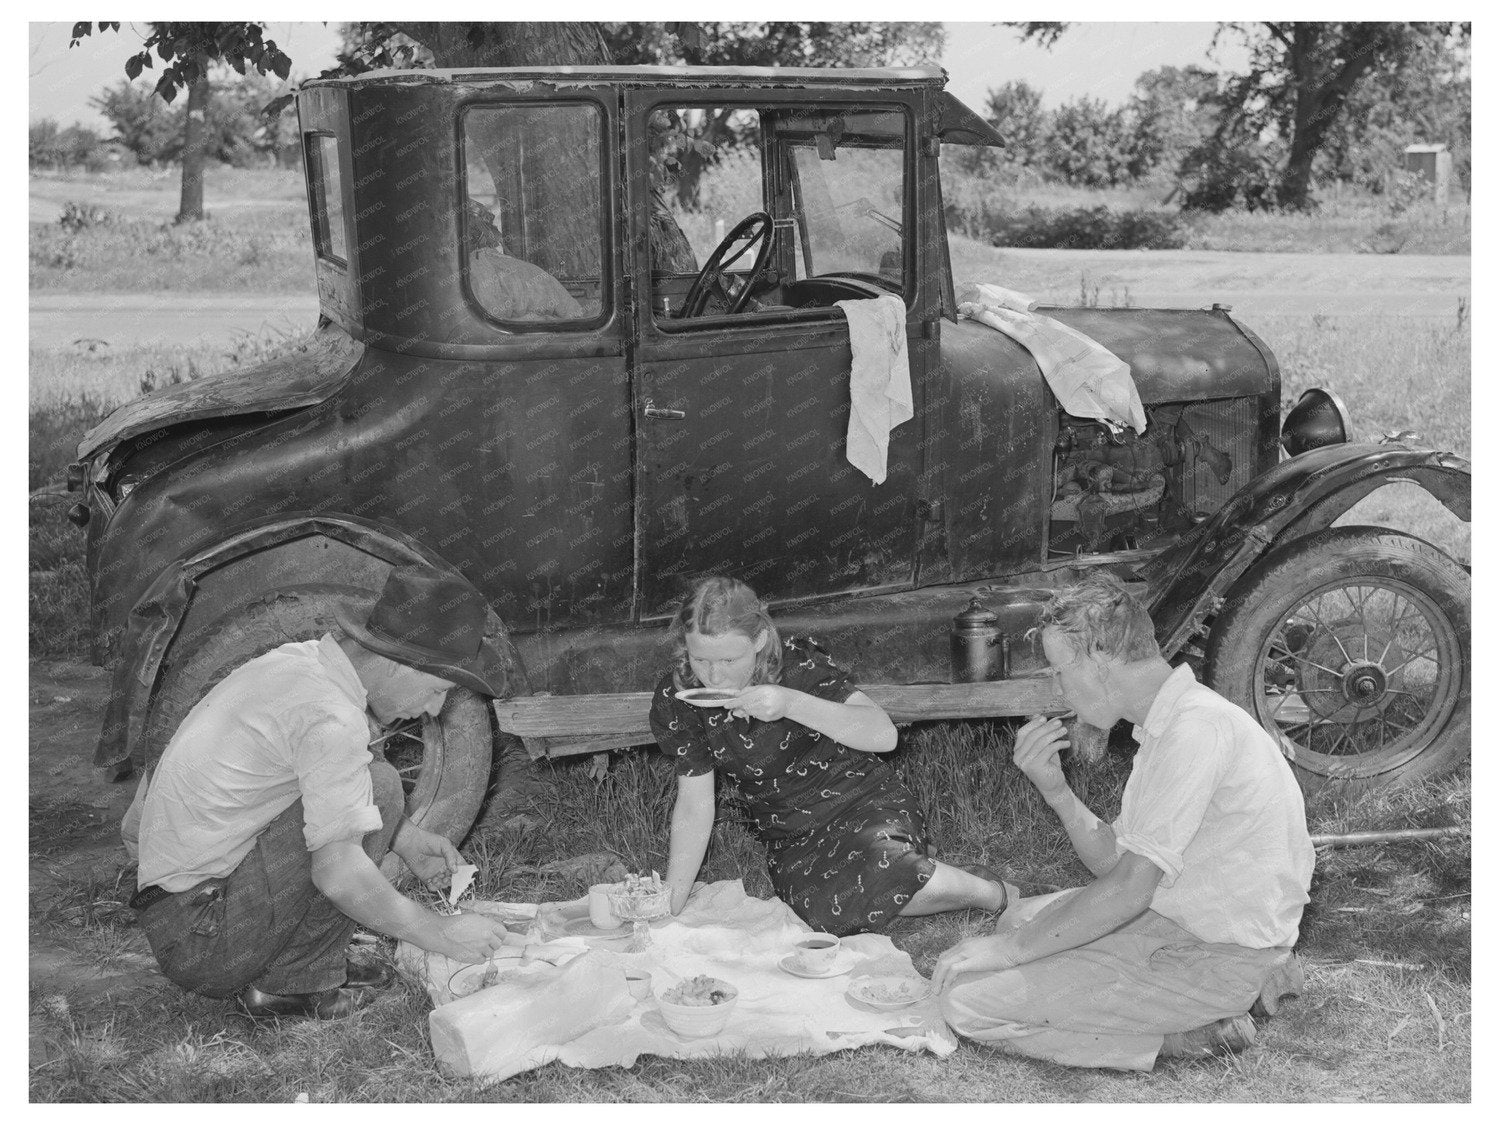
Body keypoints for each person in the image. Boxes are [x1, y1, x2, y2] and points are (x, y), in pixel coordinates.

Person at [934, 572, 1315, 1070]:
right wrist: (1056, 790)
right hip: (1185, 924)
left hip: (1214, 956)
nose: (1056, 686)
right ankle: (1241, 986)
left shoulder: (1194, 732)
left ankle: (1187, 1034)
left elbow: (1129, 889)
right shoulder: (1171, 720)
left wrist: (1010, 953)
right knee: (1021, 917)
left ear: (1099, 658)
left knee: (966, 1001)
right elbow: (1114, 862)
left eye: (1057, 670)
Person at [128, 566, 515, 1021]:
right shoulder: (331, 716)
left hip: (178, 914)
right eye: (436, 689)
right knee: (377, 787)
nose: (432, 709)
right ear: (397, 661)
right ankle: (290, 984)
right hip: (204, 938)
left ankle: (294, 969)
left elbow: (135, 823)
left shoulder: (297, 663)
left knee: (376, 784)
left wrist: (404, 838)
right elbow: (339, 875)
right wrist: (441, 933)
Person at [649, 576, 1016, 936]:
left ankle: (989, 892)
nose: (714, 675)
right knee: (822, 915)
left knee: (880, 869)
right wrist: (671, 902)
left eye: (729, 660)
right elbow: (696, 804)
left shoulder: (797, 667)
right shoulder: (679, 698)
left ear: (759, 640)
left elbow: (883, 735)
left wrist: (790, 703)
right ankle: (918, 868)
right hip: (791, 834)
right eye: (701, 660)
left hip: (862, 802)